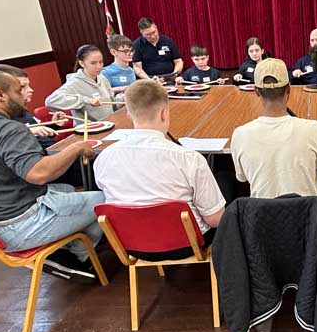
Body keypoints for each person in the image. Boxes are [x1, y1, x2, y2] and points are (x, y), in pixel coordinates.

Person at [0, 69, 104, 282]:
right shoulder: (8, 129)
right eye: (18, 90)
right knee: (105, 200)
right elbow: (39, 174)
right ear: (0, 94)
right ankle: (75, 259)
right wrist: (76, 148)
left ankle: (68, 248)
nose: (23, 96)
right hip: (18, 225)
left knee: (68, 190)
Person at [94, 80, 226, 259]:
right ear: (164, 113)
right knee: (226, 181)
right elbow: (215, 219)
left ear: (128, 114)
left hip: (131, 244)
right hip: (187, 244)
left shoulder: (103, 158)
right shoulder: (189, 158)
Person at [231, 58, 317, 199]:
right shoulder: (313, 130)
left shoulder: (240, 135)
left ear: (256, 91)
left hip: (262, 217)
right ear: (289, 89)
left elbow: (242, 178)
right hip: (311, 215)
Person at [0, 64, 63, 149]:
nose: (30, 90)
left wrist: (54, 125)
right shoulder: (1, 121)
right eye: (22, 87)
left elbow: (41, 138)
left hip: (53, 151)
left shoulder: (20, 110)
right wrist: (27, 132)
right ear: (1, 93)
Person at [45, 45, 115, 123]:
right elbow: (50, 101)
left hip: (109, 123)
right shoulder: (74, 83)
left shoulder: (102, 78)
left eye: (101, 62)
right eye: (93, 63)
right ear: (82, 63)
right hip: (89, 129)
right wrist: (84, 100)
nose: (99, 66)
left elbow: (112, 102)